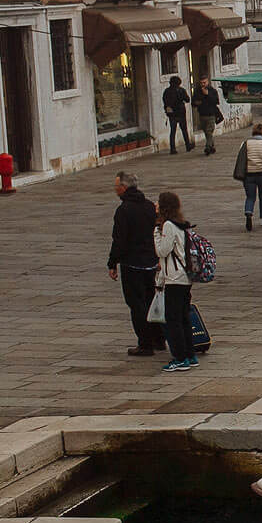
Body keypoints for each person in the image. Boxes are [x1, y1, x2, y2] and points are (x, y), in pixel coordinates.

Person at [106, 171, 162, 355]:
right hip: (151, 262)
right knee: (151, 301)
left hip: (132, 264)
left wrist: (112, 263)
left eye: (116, 186)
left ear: (123, 188)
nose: (115, 189)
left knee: (137, 304)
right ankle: (159, 339)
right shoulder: (149, 206)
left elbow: (119, 240)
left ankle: (145, 343)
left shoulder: (124, 211)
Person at [154, 190, 199, 372]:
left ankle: (180, 358)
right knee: (183, 317)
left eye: (158, 202)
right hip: (184, 277)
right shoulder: (182, 224)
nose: (155, 205)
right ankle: (190, 354)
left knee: (173, 320)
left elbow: (162, 251)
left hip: (175, 278)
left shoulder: (168, 226)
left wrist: (156, 233)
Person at [233, 122, 262, 230]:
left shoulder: (246, 143)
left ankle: (249, 212)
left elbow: (241, 158)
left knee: (250, 196)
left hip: (249, 175)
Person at [192, 76, 224, 155]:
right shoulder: (197, 91)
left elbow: (216, 101)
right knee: (206, 132)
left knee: (209, 131)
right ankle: (212, 146)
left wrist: (207, 94)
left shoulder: (212, 91)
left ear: (208, 82)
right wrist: (197, 103)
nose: (203, 84)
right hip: (202, 114)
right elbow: (193, 102)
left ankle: (208, 147)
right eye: (201, 83)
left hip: (211, 115)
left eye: (204, 82)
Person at [161, 75, 192, 154]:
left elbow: (165, 101)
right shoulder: (181, 90)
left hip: (172, 114)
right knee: (184, 130)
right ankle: (188, 145)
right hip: (181, 112)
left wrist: (168, 108)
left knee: (173, 131)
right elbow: (187, 99)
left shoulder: (167, 91)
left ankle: (173, 148)